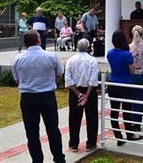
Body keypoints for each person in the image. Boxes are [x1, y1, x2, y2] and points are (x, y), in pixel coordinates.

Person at [12, 30, 65, 163]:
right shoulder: (51, 56)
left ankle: (37, 160)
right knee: (53, 129)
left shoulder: (18, 58)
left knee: (32, 132)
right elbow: (59, 73)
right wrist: (51, 82)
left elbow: (17, 79)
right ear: (38, 40)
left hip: (28, 97)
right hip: (47, 96)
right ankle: (59, 158)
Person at [106, 30, 142, 145]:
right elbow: (132, 70)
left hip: (113, 84)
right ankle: (129, 134)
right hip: (126, 84)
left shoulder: (110, 53)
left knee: (114, 112)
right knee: (126, 111)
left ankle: (118, 137)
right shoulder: (127, 54)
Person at [64, 39, 99, 153]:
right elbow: (93, 81)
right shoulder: (92, 60)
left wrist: (79, 94)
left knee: (74, 118)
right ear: (88, 47)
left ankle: (73, 144)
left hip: (75, 91)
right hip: (89, 91)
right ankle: (91, 144)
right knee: (92, 118)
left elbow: (68, 80)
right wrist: (86, 96)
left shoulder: (70, 60)